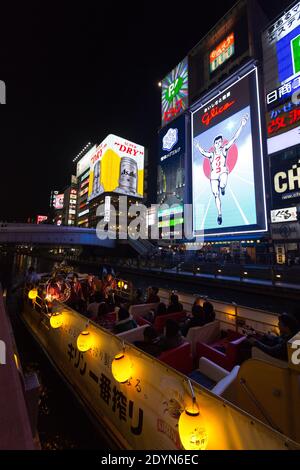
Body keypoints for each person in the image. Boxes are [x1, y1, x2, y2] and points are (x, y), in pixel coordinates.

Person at [195, 114, 249, 225]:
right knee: (216, 194)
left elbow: (234, 138)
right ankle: (219, 214)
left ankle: (223, 187)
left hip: (223, 171)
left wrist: (242, 125)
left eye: (220, 142)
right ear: (214, 145)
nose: (219, 143)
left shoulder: (224, 149)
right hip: (214, 176)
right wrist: (198, 146)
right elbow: (203, 152)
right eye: (216, 142)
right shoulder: (211, 154)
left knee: (223, 184)